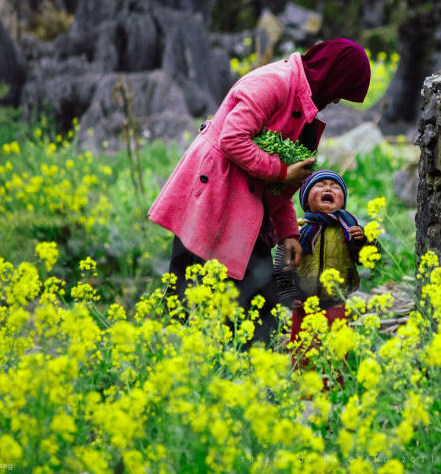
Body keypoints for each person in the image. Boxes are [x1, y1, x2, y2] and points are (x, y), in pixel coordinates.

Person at [147, 38, 371, 345]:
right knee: (186, 291)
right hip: (212, 193)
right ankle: (180, 364)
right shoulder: (274, 82)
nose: (334, 102)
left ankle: (241, 373)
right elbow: (232, 138)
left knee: (256, 300)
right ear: (330, 76)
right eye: (339, 93)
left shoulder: (305, 112)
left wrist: (288, 234)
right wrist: (280, 170)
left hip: (246, 207)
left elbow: (283, 187)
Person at [272, 169, 374, 353]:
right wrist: (288, 294)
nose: (328, 188)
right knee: (303, 355)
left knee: (335, 356)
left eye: (335, 187)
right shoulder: (297, 231)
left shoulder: (349, 229)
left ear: (343, 200)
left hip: (336, 302)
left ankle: (335, 382)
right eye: (320, 185)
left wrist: (363, 242)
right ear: (306, 200)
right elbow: (282, 266)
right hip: (304, 306)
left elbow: (369, 259)